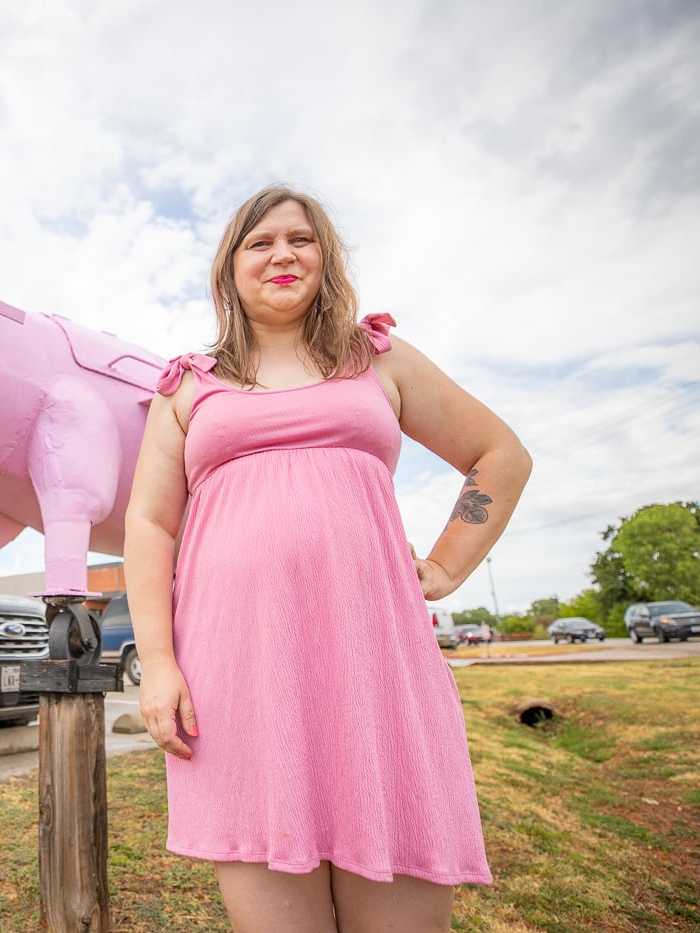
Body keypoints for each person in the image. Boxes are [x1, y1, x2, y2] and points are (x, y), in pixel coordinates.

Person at [123, 183, 532, 932]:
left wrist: (443, 567)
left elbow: (499, 454)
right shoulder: (189, 387)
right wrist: (159, 662)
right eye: (260, 241)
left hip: (375, 668)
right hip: (240, 679)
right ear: (230, 268)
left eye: (300, 239)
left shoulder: (377, 358)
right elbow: (149, 523)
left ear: (325, 256)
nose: (282, 253)